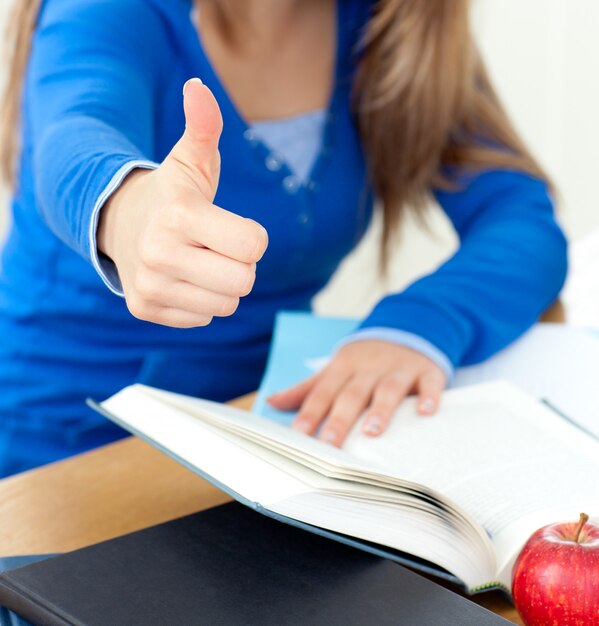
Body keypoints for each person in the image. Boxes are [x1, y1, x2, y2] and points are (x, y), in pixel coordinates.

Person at [0, 0, 567, 477]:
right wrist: (124, 209)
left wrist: (418, 327)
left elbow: (520, 217)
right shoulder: (106, 11)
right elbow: (72, 131)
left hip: (267, 440)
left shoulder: (387, 25)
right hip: (63, 447)